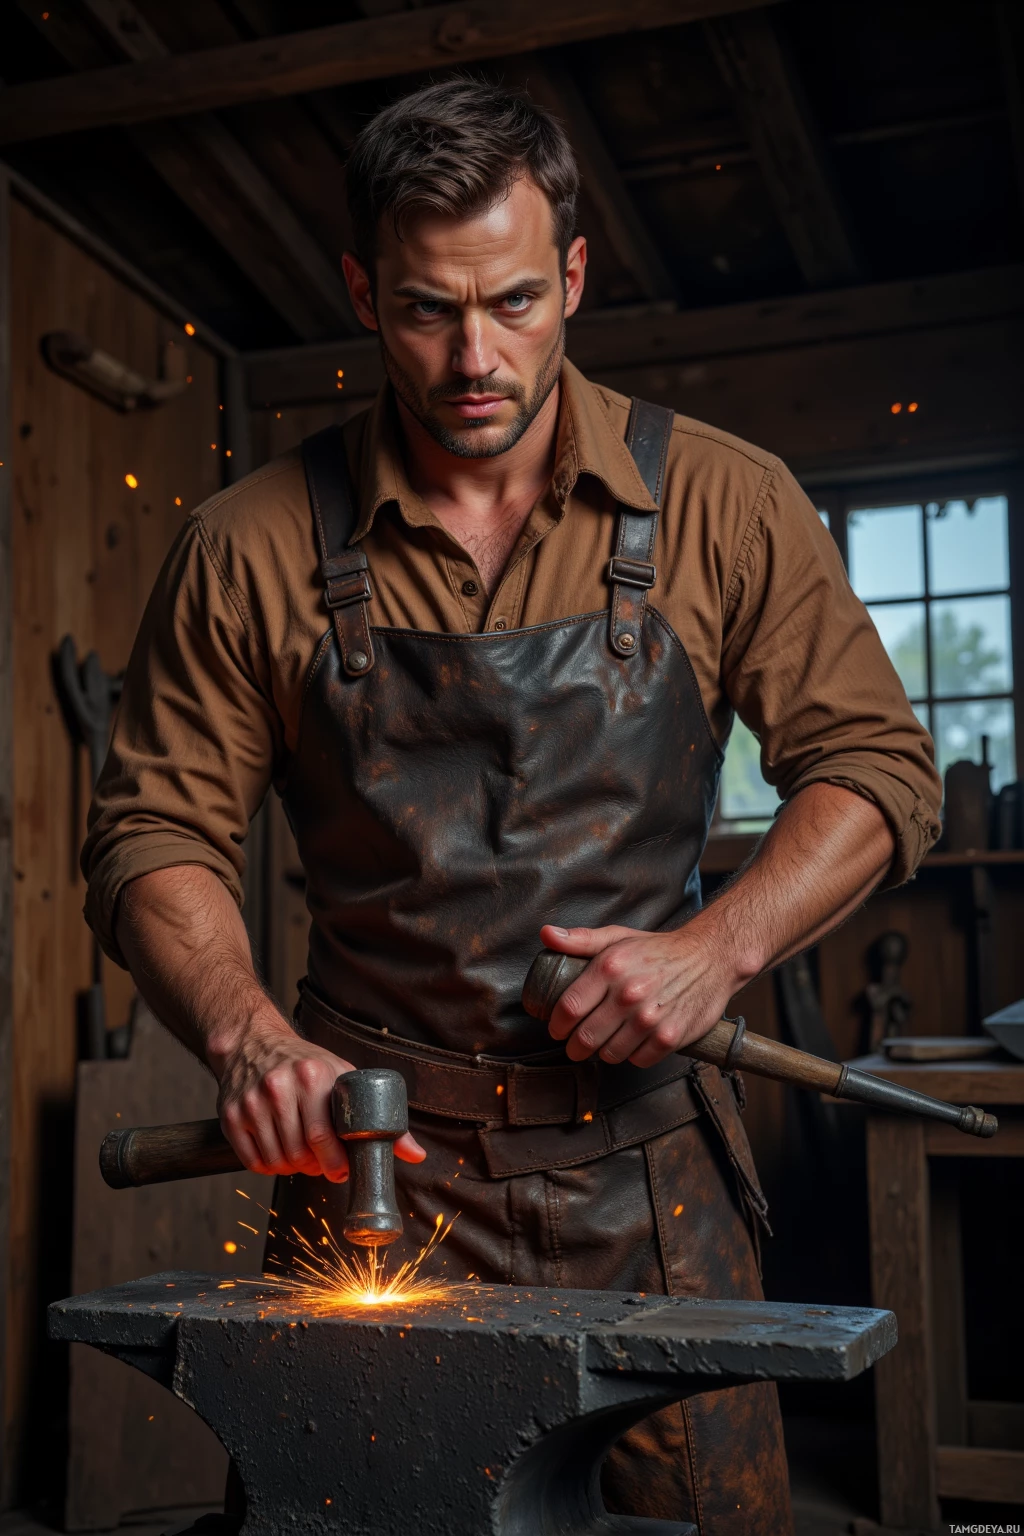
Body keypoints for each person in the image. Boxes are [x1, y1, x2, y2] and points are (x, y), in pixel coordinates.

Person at [83, 77, 942, 1535]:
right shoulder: (247, 545)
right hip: (375, 1178)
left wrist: (713, 951)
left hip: (654, 1182)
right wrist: (246, 1037)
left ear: (577, 276)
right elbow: (153, 830)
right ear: (363, 289)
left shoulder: (726, 503)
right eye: (424, 310)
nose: (475, 356)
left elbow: (876, 772)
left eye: (514, 302)